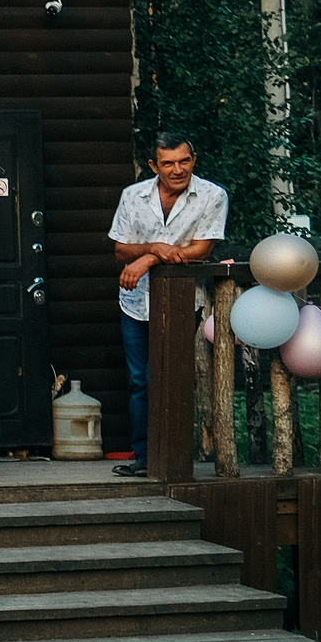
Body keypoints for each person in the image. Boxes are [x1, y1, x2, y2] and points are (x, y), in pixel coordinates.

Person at [109, 133, 226, 477]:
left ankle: (174, 458)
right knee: (140, 380)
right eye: (168, 163)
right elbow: (119, 249)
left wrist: (148, 259)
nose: (177, 170)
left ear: (194, 160)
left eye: (184, 161)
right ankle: (145, 458)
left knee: (173, 376)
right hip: (135, 302)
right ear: (153, 165)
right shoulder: (133, 196)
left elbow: (201, 250)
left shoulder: (212, 195)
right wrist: (157, 248)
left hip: (181, 300)